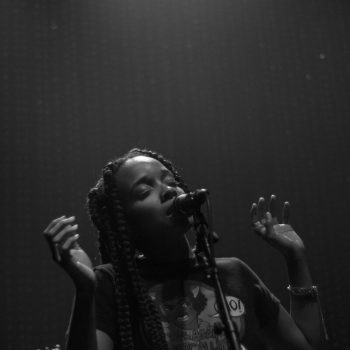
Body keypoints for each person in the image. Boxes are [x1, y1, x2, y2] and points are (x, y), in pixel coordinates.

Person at [43, 148, 324, 350]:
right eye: (144, 191)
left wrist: (295, 258)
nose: (168, 190)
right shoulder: (111, 282)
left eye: (170, 181)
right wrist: (84, 291)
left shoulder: (234, 273)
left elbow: (307, 346)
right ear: (125, 224)